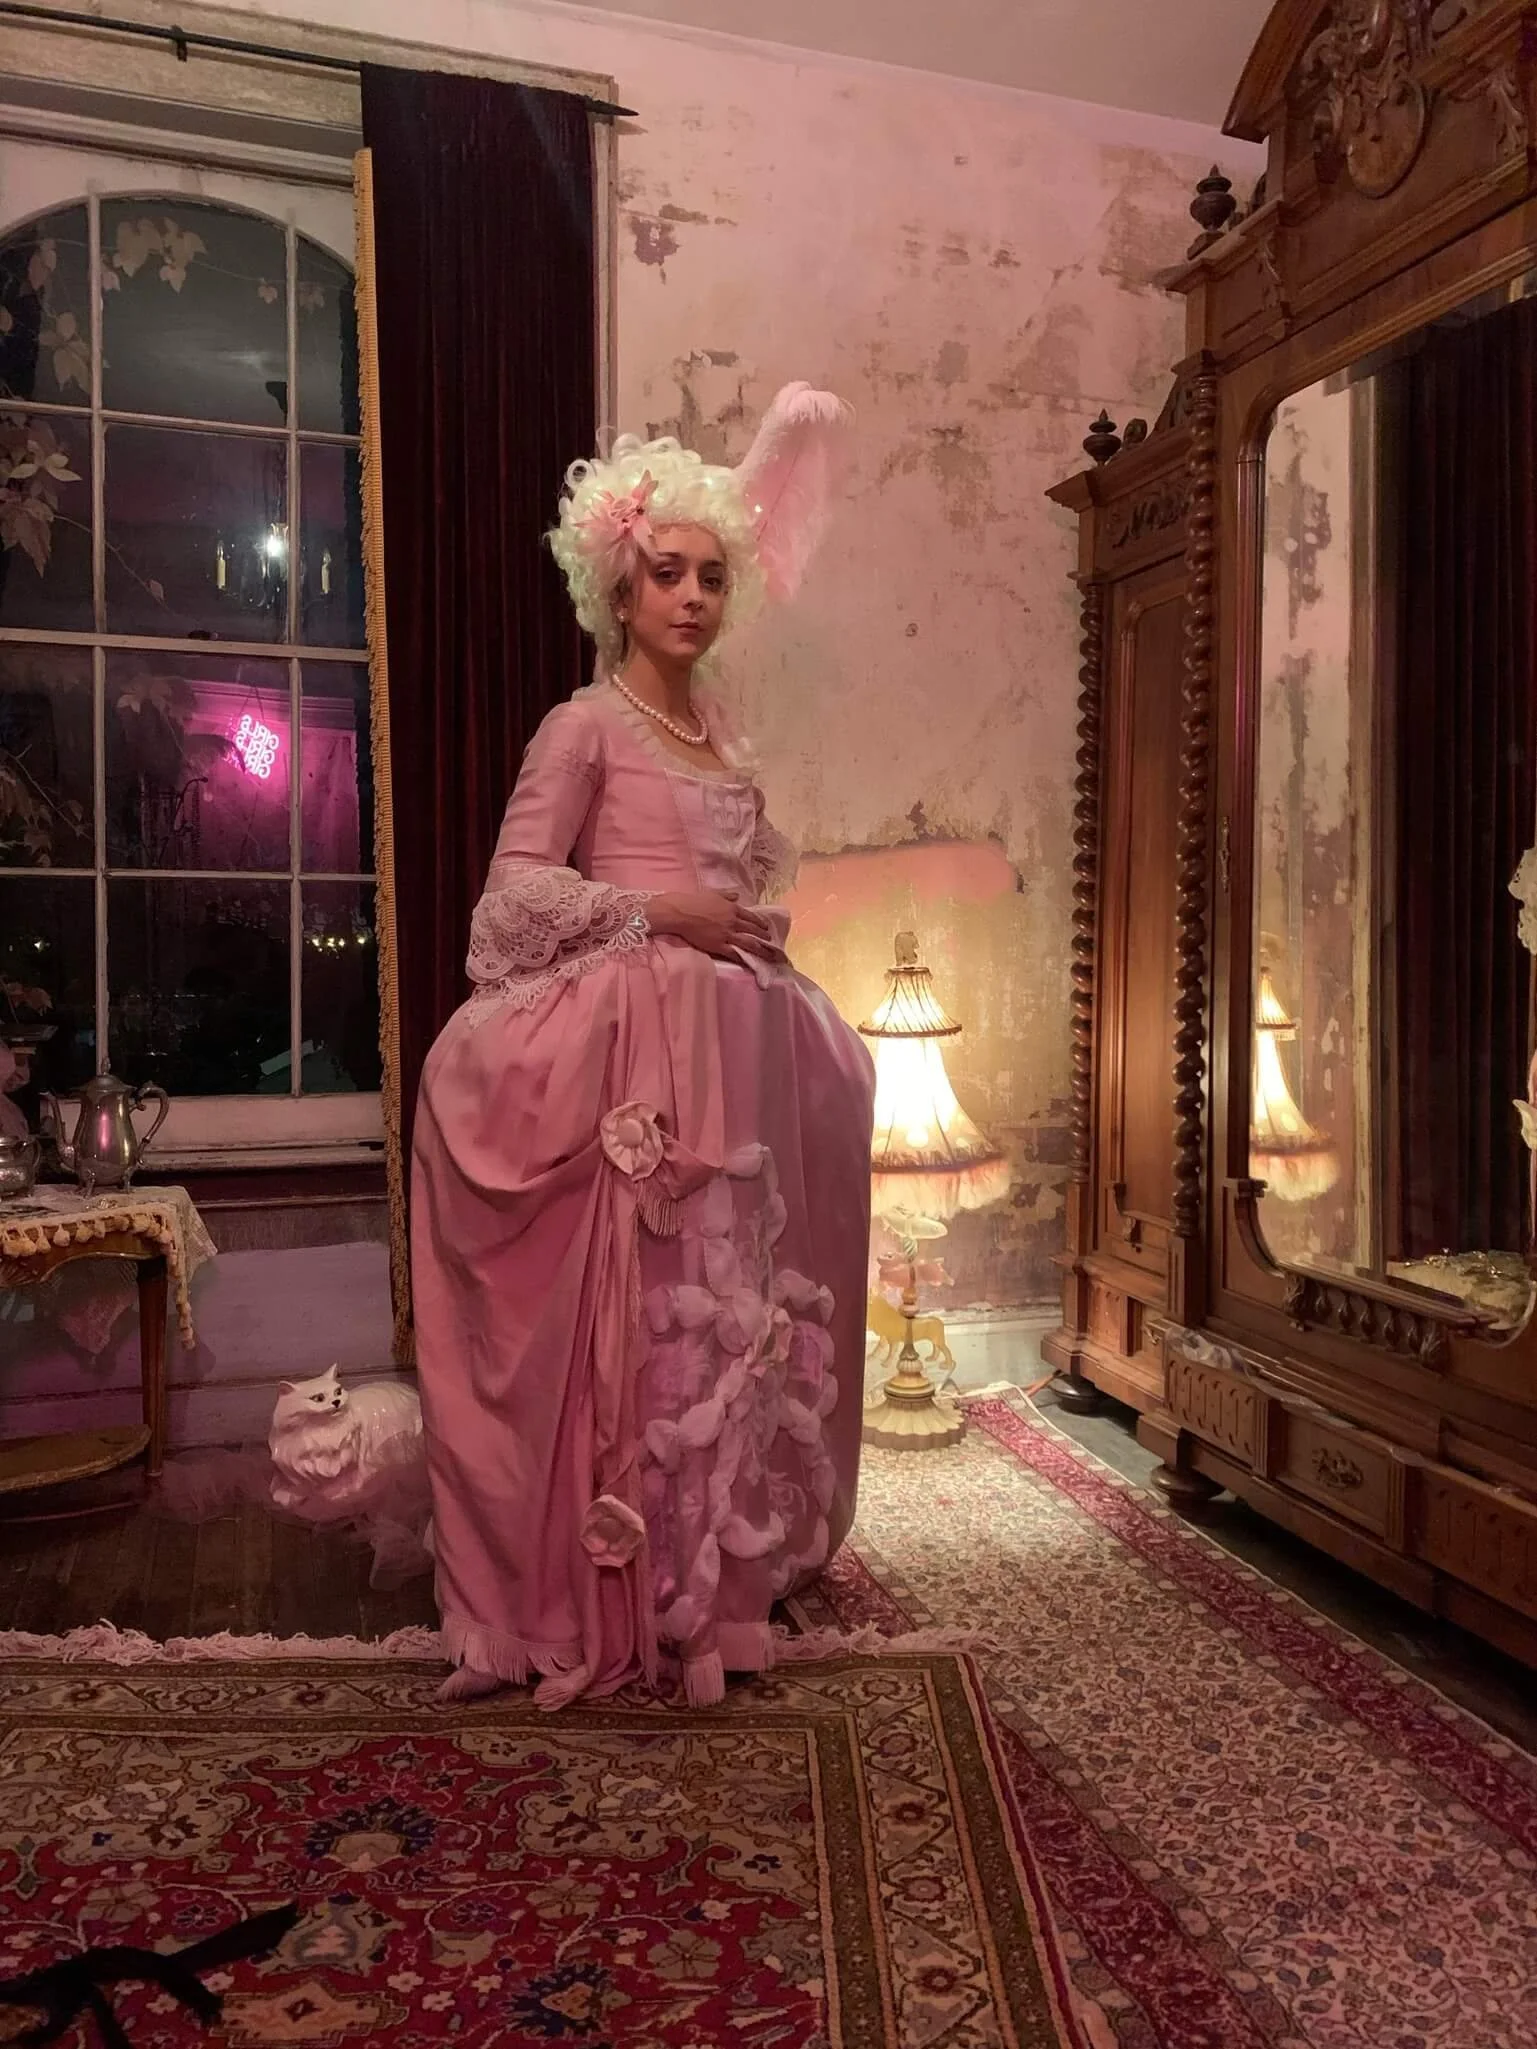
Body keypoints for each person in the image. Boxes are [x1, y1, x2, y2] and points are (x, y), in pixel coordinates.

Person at [410, 384, 876, 1708]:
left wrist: (744, 927)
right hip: (635, 1048)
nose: (690, 597)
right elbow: (508, 903)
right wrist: (657, 910)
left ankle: (715, 1589)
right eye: (665, 573)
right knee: (642, 1315)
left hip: (734, 1039)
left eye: (711, 576)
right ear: (617, 587)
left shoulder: (721, 732)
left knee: (733, 1309)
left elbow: (747, 881)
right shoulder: (586, 726)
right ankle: (607, 1583)